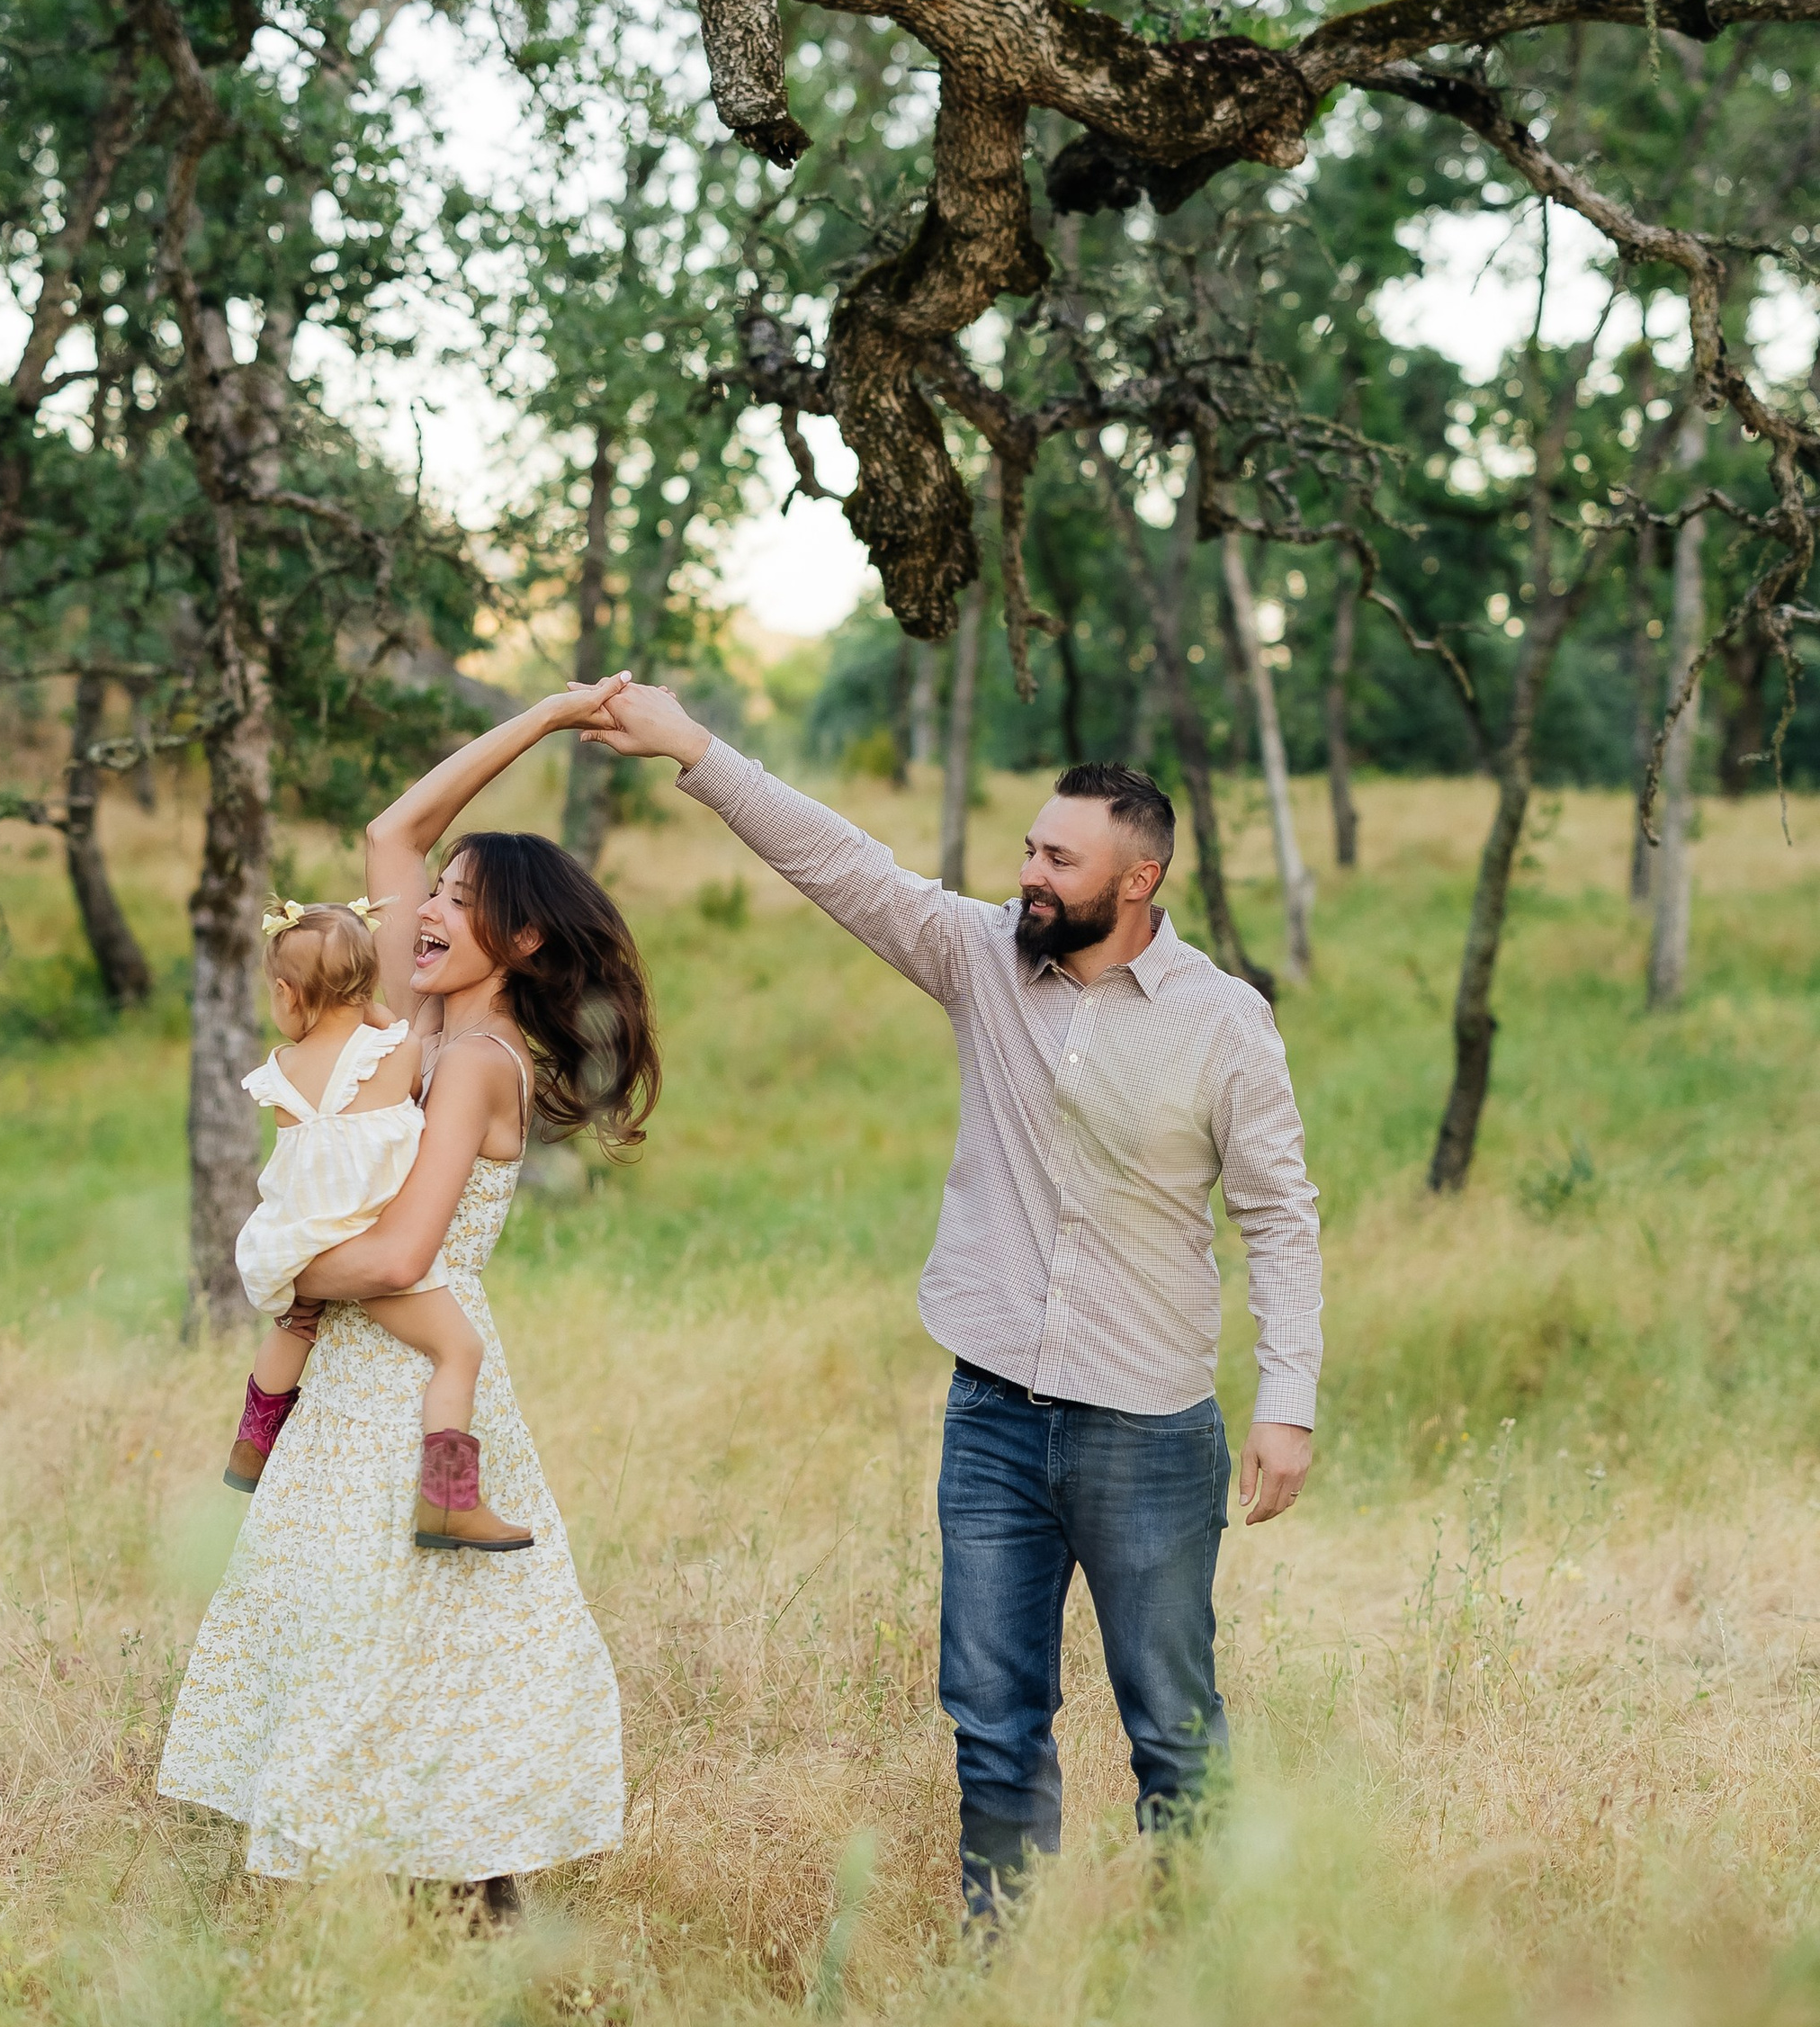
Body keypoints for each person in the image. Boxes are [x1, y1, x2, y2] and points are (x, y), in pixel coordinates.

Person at [578, 685, 1322, 1920]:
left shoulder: (1225, 1026)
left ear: (1137, 882)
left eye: (1057, 860)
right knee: (991, 1719)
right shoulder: (983, 959)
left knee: (1174, 1729)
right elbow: (839, 861)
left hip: (1145, 1426)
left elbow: (1281, 1219)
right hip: (992, 1415)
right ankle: (1008, 1977)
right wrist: (693, 750)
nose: (1028, 874)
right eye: (1028, 848)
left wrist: (1286, 1402)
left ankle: (1202, 1988)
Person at [157, 675, 657, 1911]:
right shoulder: (410, 1016)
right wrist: (542, 720)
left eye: (462, 903)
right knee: (342, 1627)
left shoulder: (481, 1060)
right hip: (350, 1378)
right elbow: (392, 830)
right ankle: (359, 1889)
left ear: (524, 943)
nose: (426, 905)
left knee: (429, 1638)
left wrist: (279, 1267)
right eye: (433, 896)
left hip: (412, 1370)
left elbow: (395, 1256)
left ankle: (477, 1902)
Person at [222, 894, 532, 1553]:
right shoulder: (395, 1053)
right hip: (370, 1242)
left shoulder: (280, 1071)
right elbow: (405, 1047)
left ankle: (250, 1448)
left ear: (285, 991)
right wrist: (374, 1008)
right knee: (459, 1350)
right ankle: (448, 1500)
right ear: (363, 986)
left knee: (294, 1323)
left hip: (298, 1241)